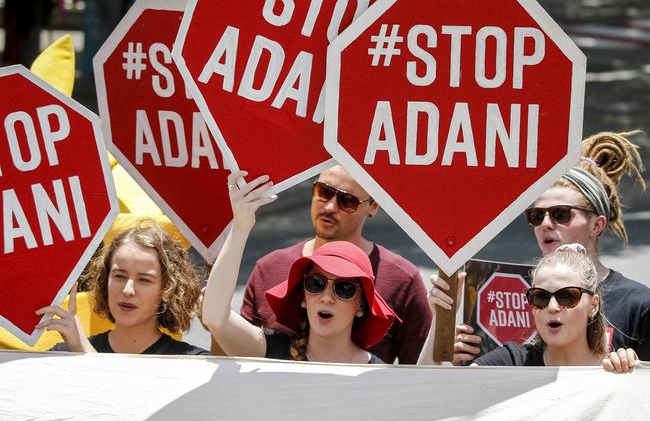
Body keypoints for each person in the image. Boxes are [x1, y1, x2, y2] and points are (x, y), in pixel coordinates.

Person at [433, 131, 649, 364]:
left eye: (560, 214)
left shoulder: (637, 303)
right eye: (536, 216)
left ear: (597, 224)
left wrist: (634, 374)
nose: (545, 224)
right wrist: (452, 353)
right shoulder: (506, 289)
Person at [239, 164, 431, 364]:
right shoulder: (268, 267)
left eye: (347, 200)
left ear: (373, 207)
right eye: (324, 191)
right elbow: (230, 358)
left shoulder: (403, 279)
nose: (330, 207)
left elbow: (423, 376)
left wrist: (454, 349)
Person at [202, 172, 397, 363]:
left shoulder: (377, 375)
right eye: (316, 284)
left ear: (361, 305)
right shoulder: (272, 350)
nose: (327, 297)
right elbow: (215, 318)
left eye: (343, 288)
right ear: (303, 296)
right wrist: (241, 227)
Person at [419, 246, 637, 372]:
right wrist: (440, 317)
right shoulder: (510, 361)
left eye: (567, 296)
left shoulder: (614, 368)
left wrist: (632, 372)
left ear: (594, 305)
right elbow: (428, 394)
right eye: (540, 297)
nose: (552, 307)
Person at [40, 225, 208, 355]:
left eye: (144, 280)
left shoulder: (191, 364)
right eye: (119, 276)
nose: (128, 290)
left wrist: (85, 353)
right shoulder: (64, 355)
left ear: (167, 289)